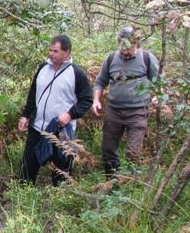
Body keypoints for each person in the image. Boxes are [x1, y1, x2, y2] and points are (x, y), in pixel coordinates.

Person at [18, 34, 93, 185]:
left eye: (55, 51)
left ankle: (59, 204)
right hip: (37, 127)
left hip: (61, 131)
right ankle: (23, 199)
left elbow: (87, 100)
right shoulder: (43, 68)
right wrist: (26, 115)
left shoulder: (76, 73)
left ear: (67, 52)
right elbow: (33, 94)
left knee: (61, 173)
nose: (51, 54)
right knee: (27, 170)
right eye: (50, 50)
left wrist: (70, 114)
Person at [92, 26, 159, 178]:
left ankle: (131, 184)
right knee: (108, 150)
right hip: (114, 111)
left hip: (137, 112)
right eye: (122, 46)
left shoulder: (147, 58)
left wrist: (157, 96)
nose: (125, 51)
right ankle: (112, 182)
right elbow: (100, 82)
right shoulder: (110, 58)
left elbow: (159, 83)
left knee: (133, 152)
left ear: (137, 44)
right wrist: (96, 100)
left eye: (129, 47)